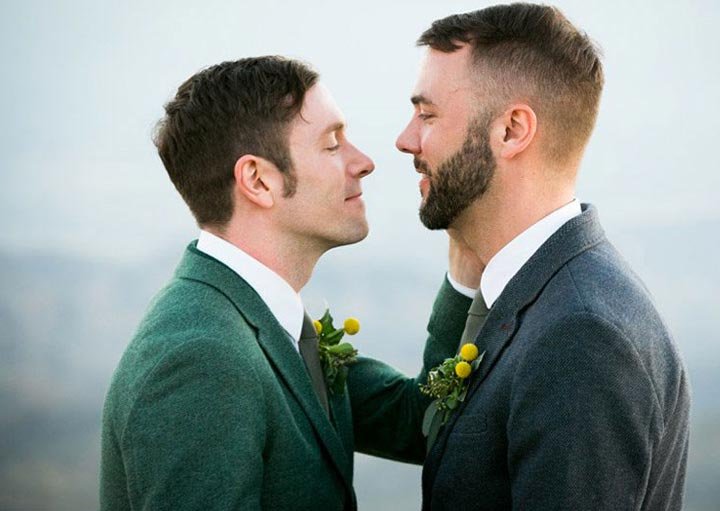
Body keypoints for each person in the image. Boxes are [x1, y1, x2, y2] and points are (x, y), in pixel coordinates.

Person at [99, 56, 478, 510]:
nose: (364, 162)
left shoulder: (264, 321)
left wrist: (465, 267)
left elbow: (415, 422)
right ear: (258, 181)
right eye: (332, 144)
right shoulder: (200, 358)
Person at [395, 4, 691, 510]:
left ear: (512, 131)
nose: (405, 140)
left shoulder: (581, 335)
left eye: (427, 115)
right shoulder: (546, 291)